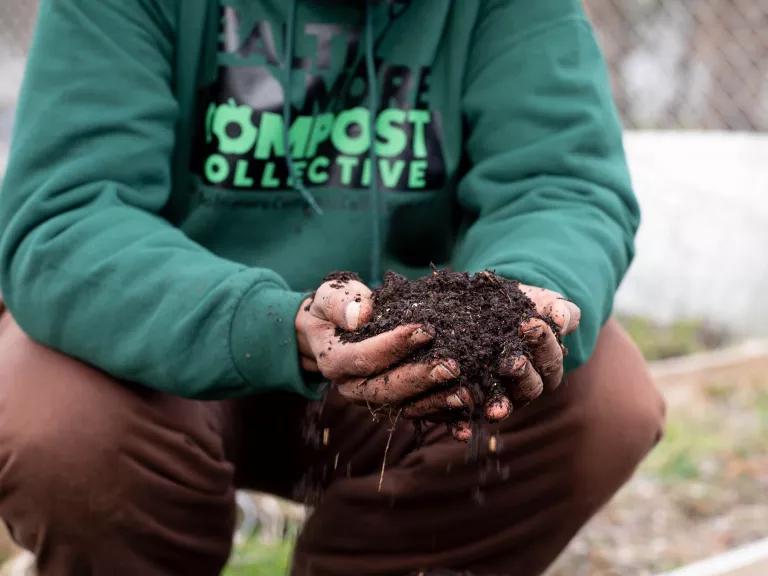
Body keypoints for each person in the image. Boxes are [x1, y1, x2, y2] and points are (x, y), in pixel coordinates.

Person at [0, 0, 665, 574]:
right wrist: (268, 323)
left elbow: (562, 186)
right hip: (165, 358)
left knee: (603, 402)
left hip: (408, 368)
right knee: (54, 424)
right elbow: (69, 215)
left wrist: (517, 301)